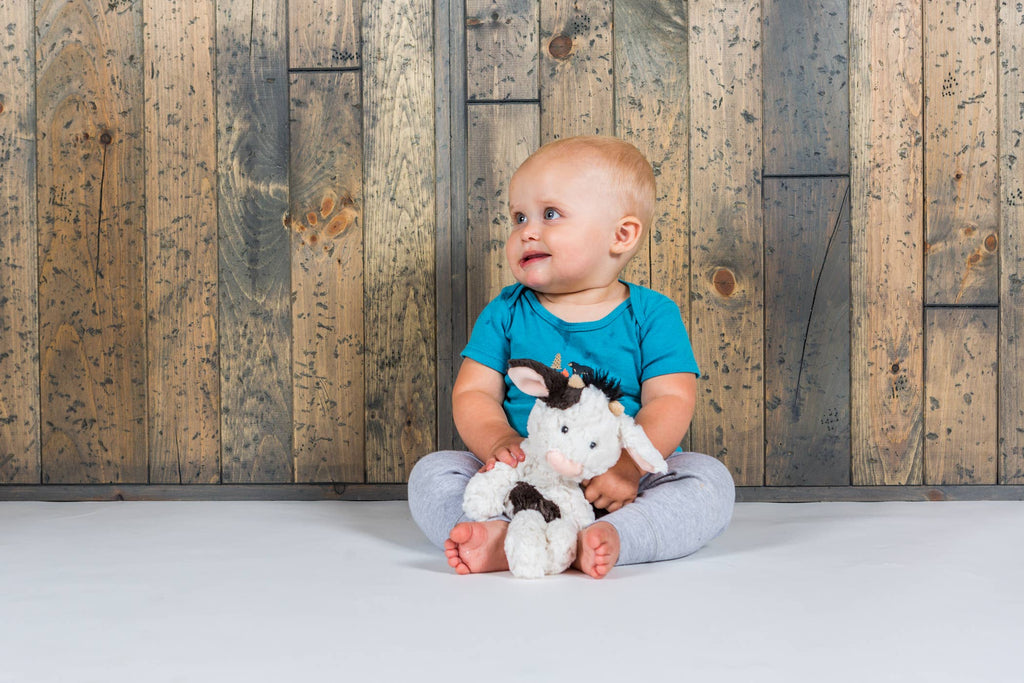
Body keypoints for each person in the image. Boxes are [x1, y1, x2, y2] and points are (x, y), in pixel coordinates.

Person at [408, 135, 735, 579]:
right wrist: (497, 442)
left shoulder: (653, 315)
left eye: (550, 214)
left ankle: (617, 537)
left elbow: (671, 401)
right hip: (527, 478)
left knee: (708, 479)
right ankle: (505, 536)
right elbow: (472, 391)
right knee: (434, 472)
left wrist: (629, 467)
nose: (526, 230)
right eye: (518, 216)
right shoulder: (505, 312)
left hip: (621, 485)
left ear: (621, 235)